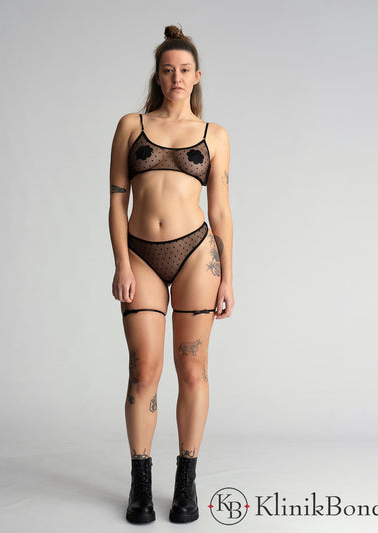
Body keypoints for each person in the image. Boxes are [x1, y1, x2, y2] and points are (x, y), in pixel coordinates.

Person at [108, 24, 234, 524]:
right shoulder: (130, 125)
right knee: (143, 371)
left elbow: (220, 212)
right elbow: (116, 202)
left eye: (184, 70)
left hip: (196, 255)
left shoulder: (214, 135)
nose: (176, 77)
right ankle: (140, 483)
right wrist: (120, 262)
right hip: (140, 254)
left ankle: (186, 481)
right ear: (158, 76)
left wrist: (228, 278)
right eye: (167, 70)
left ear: (197, 76)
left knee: (193, 370)